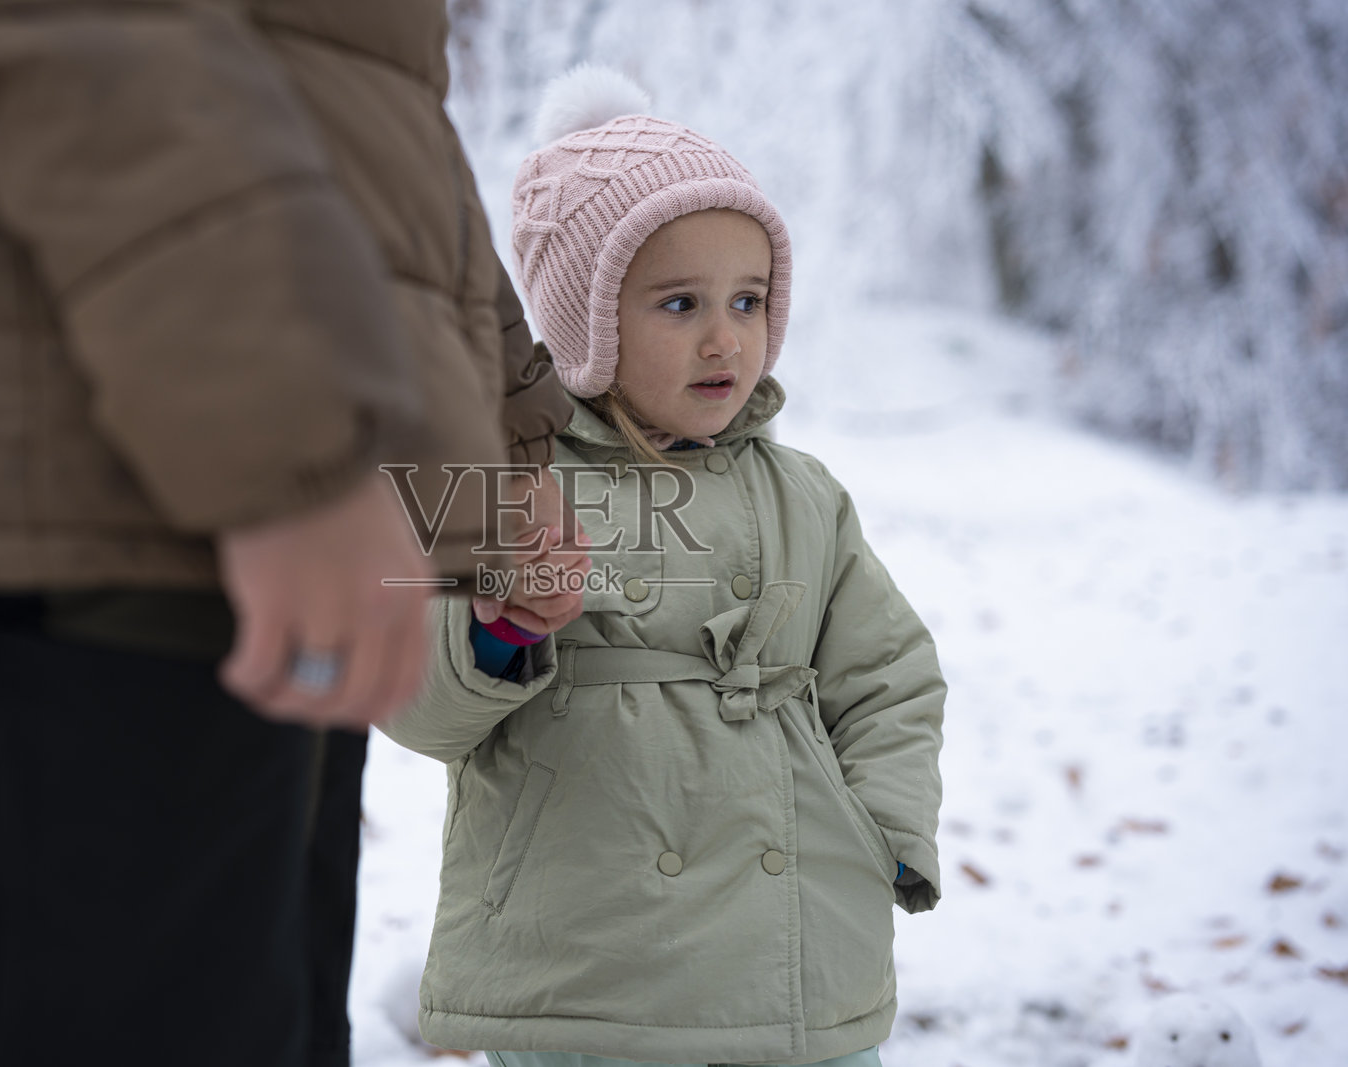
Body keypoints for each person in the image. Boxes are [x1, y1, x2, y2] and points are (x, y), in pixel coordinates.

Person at [0, 2, 578, 1065]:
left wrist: (513, 442)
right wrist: (282, 428)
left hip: (225, 515)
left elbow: (360, 104)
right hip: (104, 498)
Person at [381, 66, 948, 1067]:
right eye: (679, 302)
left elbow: (887, 671)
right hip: (588, 966)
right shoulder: (513, 483)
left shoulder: (803, 496)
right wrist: (505, 623)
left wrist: (881, 832)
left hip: (798, 962)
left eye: (749, 298)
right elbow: (413, 699)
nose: (725, 335)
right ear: (588, 326)